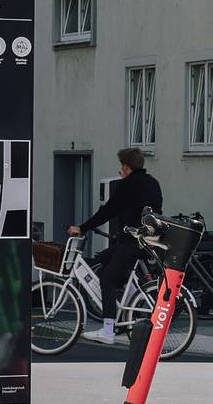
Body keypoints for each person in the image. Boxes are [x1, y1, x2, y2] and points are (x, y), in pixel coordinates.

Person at [67, 147, 161, 344]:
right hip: (147, 241)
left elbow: (108, 211)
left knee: (107, 279)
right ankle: (127, 308)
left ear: (126, 167)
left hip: (133, 242)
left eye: (122, 166)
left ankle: (108, 330)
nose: (121, 170)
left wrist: (83, 228)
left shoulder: (128, 185)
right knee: (103, 259)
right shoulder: (153, 183)